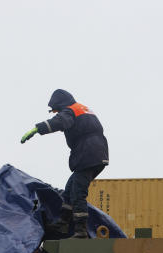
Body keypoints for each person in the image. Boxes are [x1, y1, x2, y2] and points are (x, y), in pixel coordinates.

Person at [20, 89, 109, 238]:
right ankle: (62, 223)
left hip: (88, 154)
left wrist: (38, 128)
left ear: (60, 104)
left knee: (77, 193)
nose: (56, 113)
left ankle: (80, 231)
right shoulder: (82, 109)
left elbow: (60, 121)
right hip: (96, 153)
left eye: (56, 110)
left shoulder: (70, 111)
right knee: (70, 189)